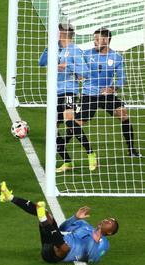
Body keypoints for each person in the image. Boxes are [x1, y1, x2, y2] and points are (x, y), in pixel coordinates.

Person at [0, 182, 118, 263]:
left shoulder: (104, 244)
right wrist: (75, 218)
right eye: (107, 219)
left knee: (65, 247)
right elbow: (63, 228)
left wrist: (94, 242)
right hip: (53, 238)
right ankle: (9, 197)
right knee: (45, 213)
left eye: (109, 223)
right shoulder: (84, 225)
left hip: (56, 254)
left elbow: (92, 258)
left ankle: (43, 221)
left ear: (110, 232)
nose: (106, 220)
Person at [39, 23, 97, 173]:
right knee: (52, 128)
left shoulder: (74, 51)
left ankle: (91, 154)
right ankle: (67, 162)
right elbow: (41, 63)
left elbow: (85, 72)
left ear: (64, 34)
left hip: (68, 91)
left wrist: (67, 66)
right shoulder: (57, 49)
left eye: (58, 31)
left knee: (69, 120)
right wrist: (49, 48)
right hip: (54, 93)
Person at [82, 28, 141, 157]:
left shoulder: (116, 57)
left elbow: (122, 78)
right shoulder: (86, 54)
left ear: (106, 40)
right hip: (89, 94)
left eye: (97, 39)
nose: (94, 42)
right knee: (79, 122)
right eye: (94, 39)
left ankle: (131, 150)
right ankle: (61, 145)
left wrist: (112, 89)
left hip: (106, 95)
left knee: (123, 113)